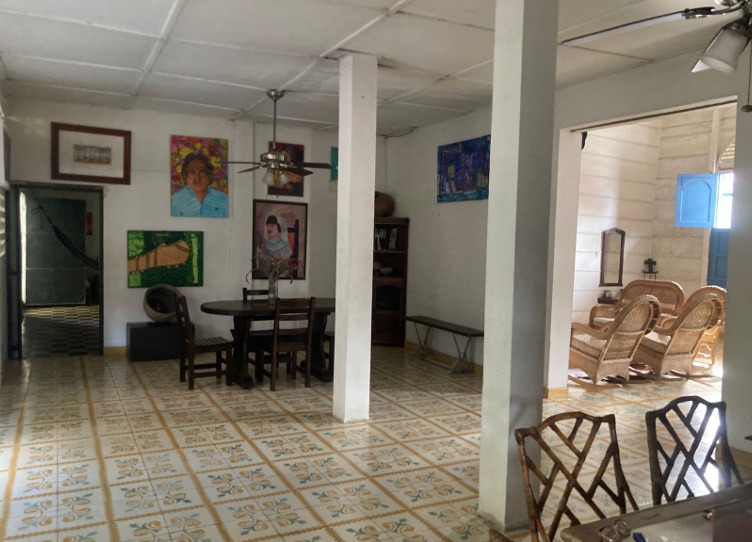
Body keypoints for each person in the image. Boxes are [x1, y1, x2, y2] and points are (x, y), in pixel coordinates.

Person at [171, 153, 228, 217]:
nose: (197, 179)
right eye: (192, 174)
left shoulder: (224, 200)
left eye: (202, 173)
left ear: (209, 176)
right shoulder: (174, 202)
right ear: (185, 177)